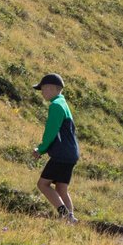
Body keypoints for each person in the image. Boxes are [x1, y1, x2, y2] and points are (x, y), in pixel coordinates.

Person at [32, 73, 79, 224]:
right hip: (71, 154)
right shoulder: (63, 103)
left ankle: (65, 215)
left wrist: (41, 149)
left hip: (61, 154)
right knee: (61, 188)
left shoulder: (56, 106)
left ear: (52, 88)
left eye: (43, 89)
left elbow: (51, 131)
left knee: (43, 184)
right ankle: (71, 219)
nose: (42, 92)